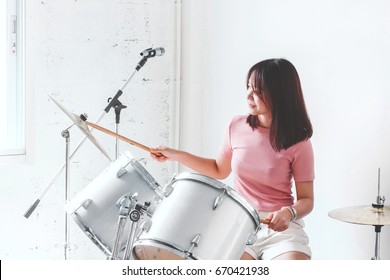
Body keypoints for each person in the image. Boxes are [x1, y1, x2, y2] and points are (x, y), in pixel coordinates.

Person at [151, 58, 314, 260]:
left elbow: (307, 199)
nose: (248, 95)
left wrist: (289, 212)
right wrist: (174, 154)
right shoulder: (236, 126)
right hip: (240, 227)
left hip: (281, 231)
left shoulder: (299, 141)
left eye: (258, 91)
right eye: (248, 87)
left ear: (279, 93)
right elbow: (219, 169)